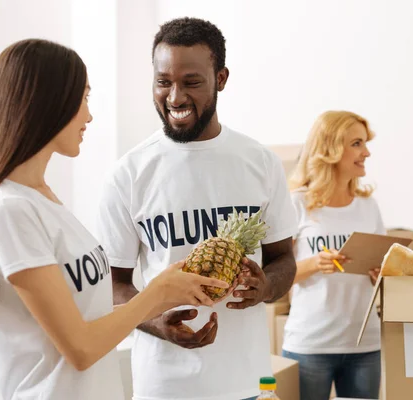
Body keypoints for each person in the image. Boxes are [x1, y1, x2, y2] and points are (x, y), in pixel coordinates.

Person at [0, 39, 228, 400]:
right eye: (84, 99)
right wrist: (155, 292)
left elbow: (81, 314)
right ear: (48, 103)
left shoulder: (43, 200)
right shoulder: (9, 210)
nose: (89, 116)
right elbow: (80, 349)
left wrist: (157, 309)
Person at [96, 17, 298, 400]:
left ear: (220, 78)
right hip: (163, 386)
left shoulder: (261, 162)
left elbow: (283, 258)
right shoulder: (127, 174)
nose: (174, 98)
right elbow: (113, 283)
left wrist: (267, 285)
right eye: (163, 82)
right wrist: (155, 321)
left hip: (248, 384)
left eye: (191, 82)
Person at [282, 110, 383, 400]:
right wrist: (315, 263)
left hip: (364, 344)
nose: (366, 152)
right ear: (330, 148)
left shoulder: (368, 206)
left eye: (364, 143)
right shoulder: (296, 203)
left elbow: (381, 268)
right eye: (356, 144)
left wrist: (382, 273)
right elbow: (275, 276)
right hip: (310, 345)